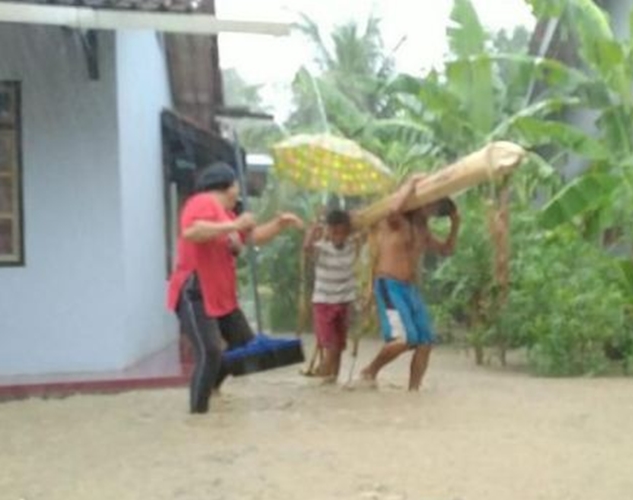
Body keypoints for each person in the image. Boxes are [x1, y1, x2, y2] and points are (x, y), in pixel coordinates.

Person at [166, 162, 303, 414]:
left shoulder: (225, 215)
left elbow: (252, 238)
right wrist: (234, 225)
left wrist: (279, 224)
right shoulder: (203, 202)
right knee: (210, 350)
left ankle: (212, 388)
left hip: (220, 294)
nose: (239, 194)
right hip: (194, 291)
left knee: (243, 345)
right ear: (227, 186)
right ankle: (197, 415)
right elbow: (192, 231)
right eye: (237, 188)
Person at [357, 174, 460, 391]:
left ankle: (413, 391)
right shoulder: (396, 221)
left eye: (436, 207)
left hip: (410, 289)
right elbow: (394, 210)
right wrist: (411, 184)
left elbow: (447, 250)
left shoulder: (423, 230)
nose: (432, 210)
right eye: (430, 204)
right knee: (402, 340)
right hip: (389, 285)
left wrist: (455, 223)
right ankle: (369, 371)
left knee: (425, 342)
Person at [302, 209, 360, 384]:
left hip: (345, 303)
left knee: (339, 347)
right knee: (332, 346)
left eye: (343, 232)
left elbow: (365, 227)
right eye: (335, 232)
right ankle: (321, 379)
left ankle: (331, 381)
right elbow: (306, 248)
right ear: (328, 230)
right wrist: (313, 229)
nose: (339, 237)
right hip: (324, 304)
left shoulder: (353, 244)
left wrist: (355, 218)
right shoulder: (321, 249)